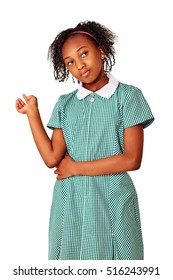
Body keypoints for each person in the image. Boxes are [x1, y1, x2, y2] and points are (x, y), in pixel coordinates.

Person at [15, 20, 154, 260]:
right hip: (70, 201)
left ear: (101, 50)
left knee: (120, 261)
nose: (79, 65)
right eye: (70, 62)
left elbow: (132, 159)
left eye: (84, 54)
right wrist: (33, 114)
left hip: (112, 198)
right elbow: (51, 158)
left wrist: (76, 168)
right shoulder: (65, 104)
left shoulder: (128, 96)